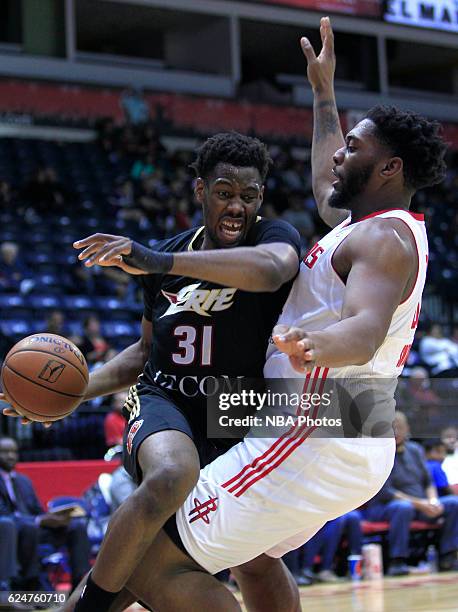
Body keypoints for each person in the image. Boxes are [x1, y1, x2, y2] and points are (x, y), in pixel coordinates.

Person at [65, 16, 449, 612]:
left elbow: (366, 330)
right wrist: (324, 95)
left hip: (319, 422)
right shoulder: (364, 221)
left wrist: (316, 345)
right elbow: (327, 183)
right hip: (324, 414)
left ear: (390, 168)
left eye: (357, 147)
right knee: (250, 556)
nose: (342, 152)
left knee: (143, 558)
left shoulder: (384, 242)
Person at [4, 132, 301, 612]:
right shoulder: (169, 257)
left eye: (248, 196)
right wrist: (72, 395)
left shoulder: (272, 238)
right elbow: (144, 352)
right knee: (170, 474)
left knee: (254, 554)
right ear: (200, 191)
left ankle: (59, 608)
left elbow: (273, 271)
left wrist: (153, 260)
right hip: (167, 398)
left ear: (261, 198)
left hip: (233, 409)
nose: (236, 206)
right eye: (224, 193)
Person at [366, 413, 458, 575]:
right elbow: (387, 492)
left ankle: (447, 556)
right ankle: (397, 561)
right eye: (390, 427)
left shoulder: (416, 450)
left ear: (407, 429)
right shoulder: (377, 454)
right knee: (403, 507)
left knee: (453, 503)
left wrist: (433, 500)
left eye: (399, 427)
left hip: (419, 506)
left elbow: (428, 482)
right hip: (385, 507)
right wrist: (421, 504)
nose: (395, 431)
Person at [0, 437, 91, 593]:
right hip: (13, 533)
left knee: (77, 526)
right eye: (5, 452)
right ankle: (31, 586)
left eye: (14, 452)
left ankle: (80, 586)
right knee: (29, 527)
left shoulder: (24, 481)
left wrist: (56, 518)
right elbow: (4, 514)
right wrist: (39, 520)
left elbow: (37, 510)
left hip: (34, 530)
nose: (11, 456)